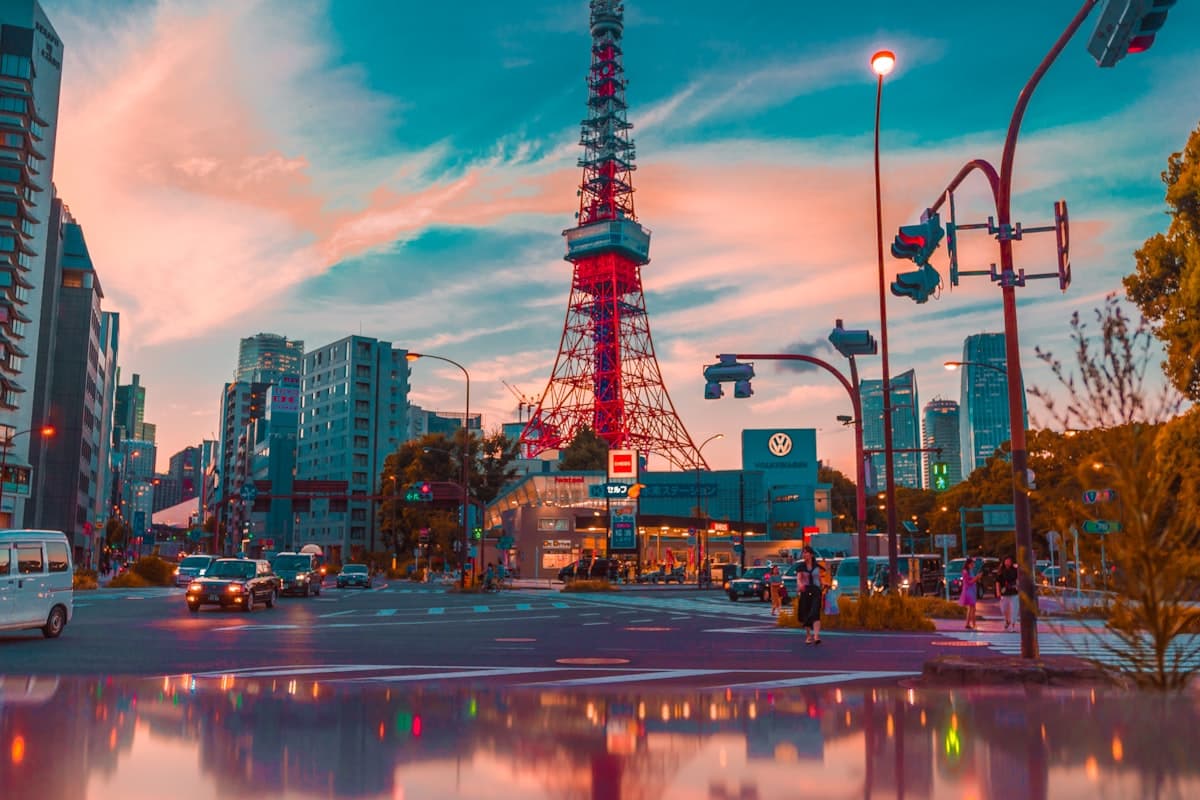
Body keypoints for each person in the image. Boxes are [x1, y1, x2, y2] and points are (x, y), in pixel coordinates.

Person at [797, 546, 825, 645]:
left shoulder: (818, 567)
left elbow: (822, 578)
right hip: (805, 591)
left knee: (815, 612)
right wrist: (800, 586)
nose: (805, 554)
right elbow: (799, 579)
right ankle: (808, 636)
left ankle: (816, 636)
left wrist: (825, 584)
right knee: (806, 613)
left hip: (816, 591)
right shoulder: (801, 566)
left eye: (806, 552)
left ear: (811, 554)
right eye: (803, 553)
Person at [998, 556, 1019, 630]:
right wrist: (998, 591)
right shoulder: (1001, 570)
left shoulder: (1015, 570)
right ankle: (1007, 620)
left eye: (1009, 561)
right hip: (1004, 592)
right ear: (1004, 562)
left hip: (1014, 592)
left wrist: (1017, 585)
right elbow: (997, 581)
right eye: (1006, 561)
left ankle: (1013, 625)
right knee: (1003, 608)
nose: (1008, 563)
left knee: (1014, 609)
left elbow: (1018, 579)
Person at [959, 556, 979, 630]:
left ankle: (968, 624)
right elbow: (969, 582)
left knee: (971, 608)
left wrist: (976, 578)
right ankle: (973, 624)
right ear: (968, 564)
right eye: (972, 563)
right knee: (972, 608)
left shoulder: (970, 571)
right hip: (968, 590)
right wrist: (976, 578)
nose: (973, 565)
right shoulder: (965, 571)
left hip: (972, 590)